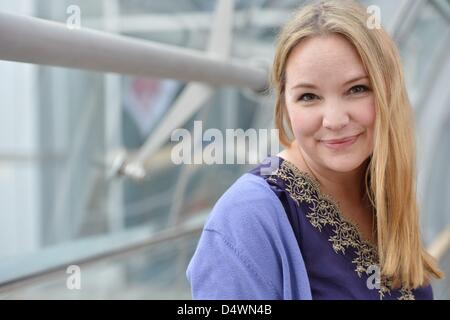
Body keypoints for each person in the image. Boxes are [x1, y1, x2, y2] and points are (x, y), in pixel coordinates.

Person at [186, 0, 443, 300]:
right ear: (284, 104)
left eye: (357, 89)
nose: (334, 120)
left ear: (388, 91)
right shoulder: (245, 219)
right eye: (309, 96)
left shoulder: (384, 193)